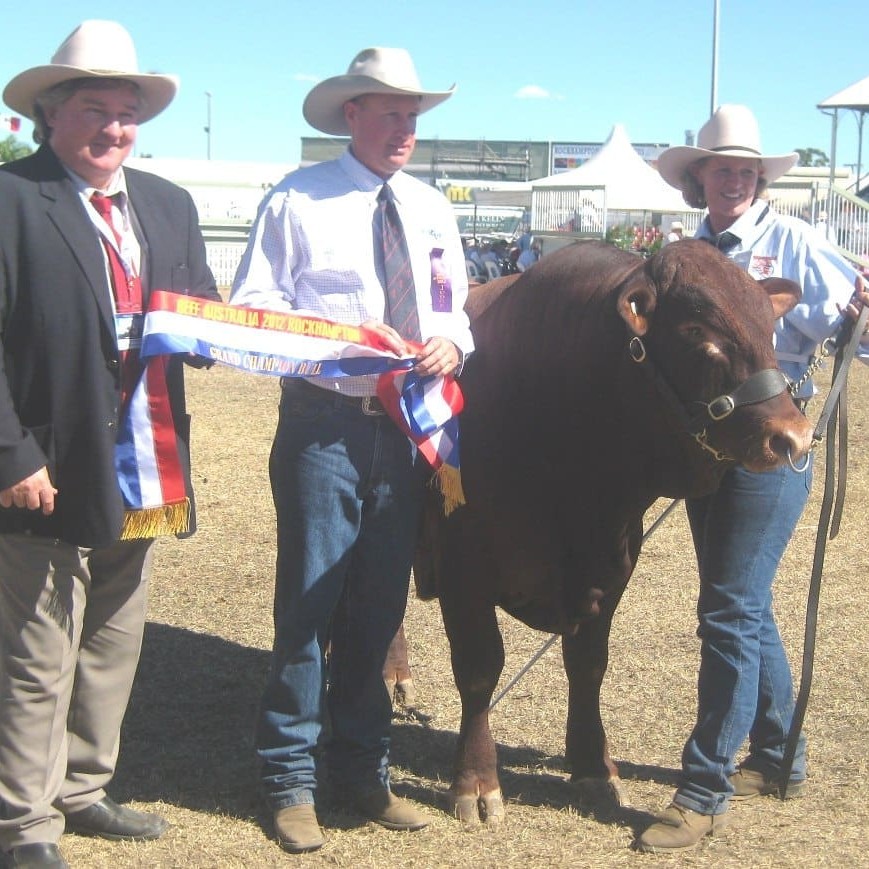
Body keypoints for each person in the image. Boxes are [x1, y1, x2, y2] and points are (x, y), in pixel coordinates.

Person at [230, 47, 473, 854]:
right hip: (323, 428)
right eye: (390, 113)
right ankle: (287, 781)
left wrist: (449, 347)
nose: (405, 128)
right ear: (351, 116)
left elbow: (453, 310)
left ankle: (362, 774)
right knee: (307, 604)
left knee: (378, 606)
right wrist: (335, 347)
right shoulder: (296, 200)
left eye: (413, 116)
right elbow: (252, 308)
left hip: (404, 433)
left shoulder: (433, 208)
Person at [0, 20, 221, 869]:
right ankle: (24, 822)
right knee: (37, 649)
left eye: (126, 114)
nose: (114, 129)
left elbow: (193, 303)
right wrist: (10, 453)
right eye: (94, 109)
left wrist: (213, 333)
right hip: (47, 466)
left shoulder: (168, 205)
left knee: (115, 634)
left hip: (147, 458)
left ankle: (84, 786)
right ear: (47, 115)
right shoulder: (13, 201)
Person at [635, 104, 869, 853]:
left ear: (759, 179)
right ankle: (779, 755)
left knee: (728, 609)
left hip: (770, 448)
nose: (733, 179)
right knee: (742, 605)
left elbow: (854, 334)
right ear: (697, 177)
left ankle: (703, 787)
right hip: (710, 448)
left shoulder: (795, 242)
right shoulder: (687, 254)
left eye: (746, 170)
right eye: (720, 168)